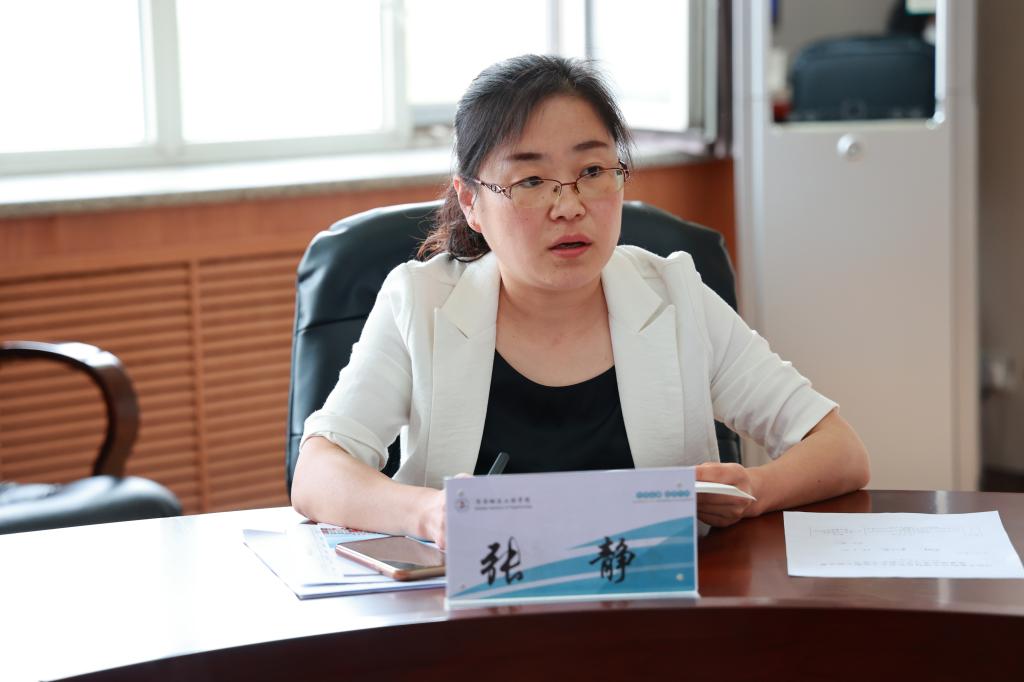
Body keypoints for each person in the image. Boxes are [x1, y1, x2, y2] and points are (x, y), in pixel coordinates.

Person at [292, 55, 870, 547]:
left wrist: (754, 489)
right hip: (477, 617)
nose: (569, 206)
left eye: (592, 170)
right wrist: (430, 513)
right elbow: (317, 472)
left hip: (656, 615)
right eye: (531, 181)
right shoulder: (421, 303)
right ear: (471, 202)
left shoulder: (674, 295)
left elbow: (840, 450)